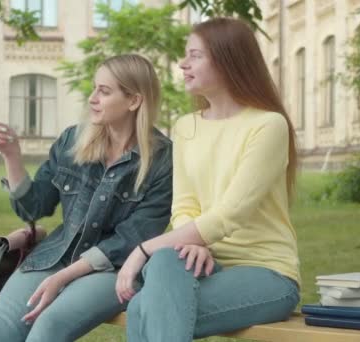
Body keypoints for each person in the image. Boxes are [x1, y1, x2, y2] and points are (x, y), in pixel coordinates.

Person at [115, 17, 301, 341]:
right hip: (203, 265)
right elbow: (184, 204)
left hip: (266, 272)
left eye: (195, 55)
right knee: (165, 261)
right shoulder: (187, 126)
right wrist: (197, 245)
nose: (183, 64)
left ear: (228, 59)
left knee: (143, 306)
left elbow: (233, 212)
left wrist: (142, 250)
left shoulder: (268, 126)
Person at [0, 54, 173, 341]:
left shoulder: (162, 159)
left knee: (48, 327)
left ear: (134, 101)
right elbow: (33, 207)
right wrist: (11, 155)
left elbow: (131, 238)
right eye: (94, 88)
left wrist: (63, 278)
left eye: (104, 91)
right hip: (55, 256)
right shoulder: (72, 140)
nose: (92, 98)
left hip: (114, 270)